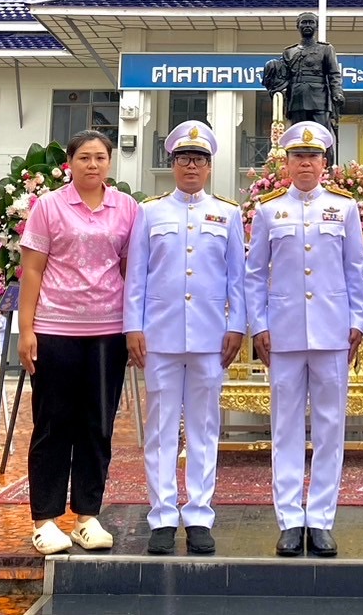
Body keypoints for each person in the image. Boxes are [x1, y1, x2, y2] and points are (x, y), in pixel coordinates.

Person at [245, 121, 363, 557]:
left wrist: (358, 320)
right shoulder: (267, 210)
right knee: (285, 427)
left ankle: (320, 519)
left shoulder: (344, 208)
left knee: (332, 428)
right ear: (287, 162)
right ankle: (289, 519)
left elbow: (356, 270)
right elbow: (255, 274)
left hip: (333, 331)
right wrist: (258, 325)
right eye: (298, 156)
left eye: (313, 157)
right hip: (283, 333)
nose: (305, 163)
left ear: (325, 163)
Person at [123, 121, 246, 556]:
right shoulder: (151, 212)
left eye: (199, 159)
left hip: (211, 336)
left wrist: (237, 326)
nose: (191, 165)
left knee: (204, 427)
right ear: (172, 164)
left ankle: (198, 514)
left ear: (210, 167)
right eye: (183, 158)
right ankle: (161, 515)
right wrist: (132, 327)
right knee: (159, 429)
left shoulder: (227, 214)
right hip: (159, 335)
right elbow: (136, 275)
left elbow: (238, 278)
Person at [19, 130, 139, 555]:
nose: (93, 164)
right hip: (56, 328)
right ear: (70, 162)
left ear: (110, 163)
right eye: (84, 157)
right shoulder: (49, 205)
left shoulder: (126, 208)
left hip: (108, 330)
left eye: (100, 157)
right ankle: (45, 519)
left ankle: (88, 516)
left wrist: (134, 325)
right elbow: (31, 270)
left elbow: (130, 270)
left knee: (98, 424)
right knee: (53, 424)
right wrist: (26, 329)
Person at [263, 11, 345, 132]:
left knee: (322, 136)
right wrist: (272, 68)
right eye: (304, 22)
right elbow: (283, 77)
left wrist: (337, 93)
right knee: (297, 135)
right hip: (296, 98)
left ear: (316, 26)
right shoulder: (289, 52)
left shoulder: (326, 49)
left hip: (319, 98)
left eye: (311, 22)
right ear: (298, 26)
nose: (307, 25)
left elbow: (334, 74)